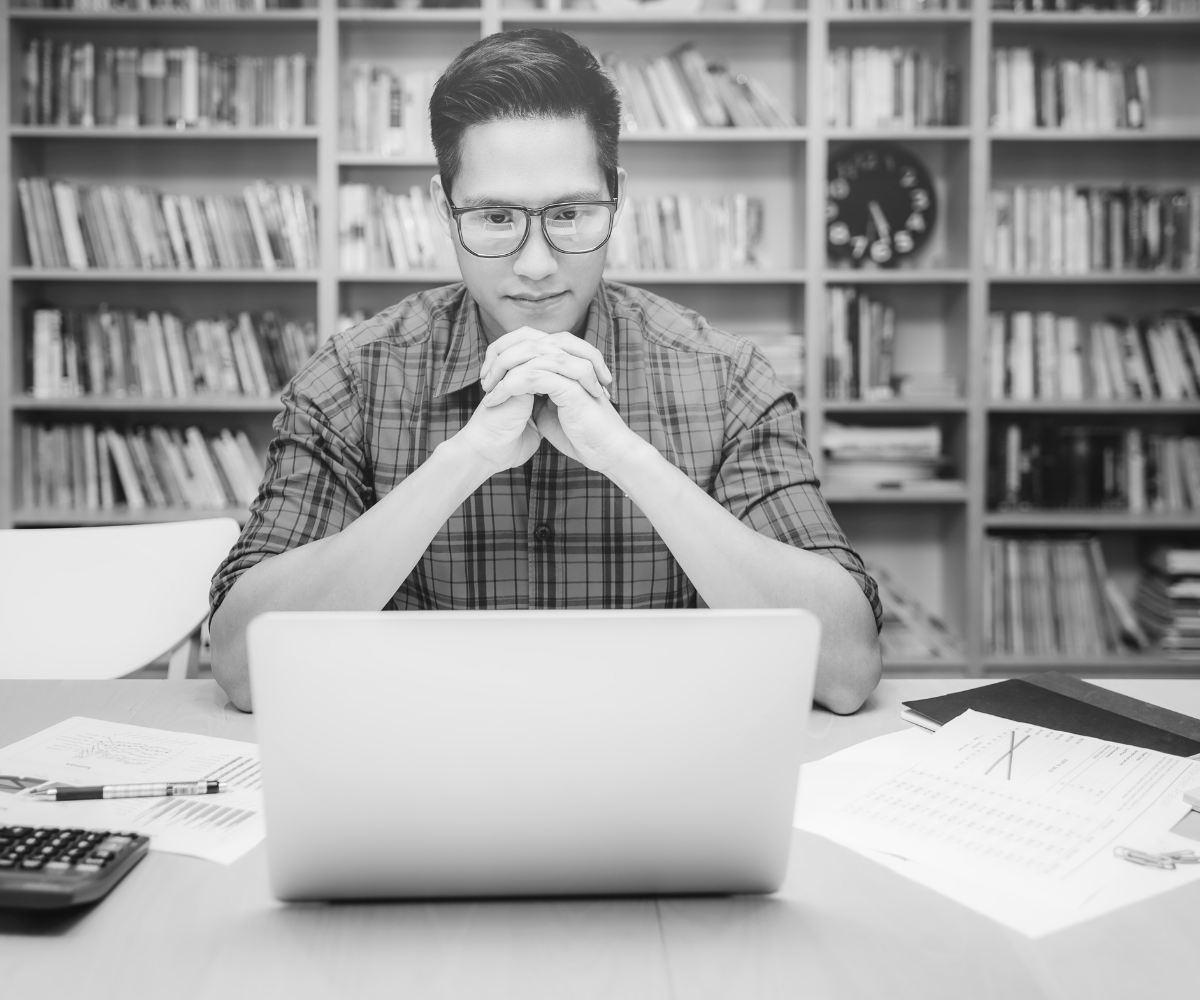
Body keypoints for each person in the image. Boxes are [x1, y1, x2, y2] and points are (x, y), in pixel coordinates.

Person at [209, 28, 883, 714]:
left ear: (616, 198)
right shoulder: (351, 378)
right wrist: (462, 460)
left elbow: (846, 669)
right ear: (444, 211)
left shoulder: (725, 376)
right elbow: (241, 667)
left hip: (658, 777)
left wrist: (627, 457)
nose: (535, 264)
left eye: (568, 213)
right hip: (423, 775)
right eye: (496, 217)